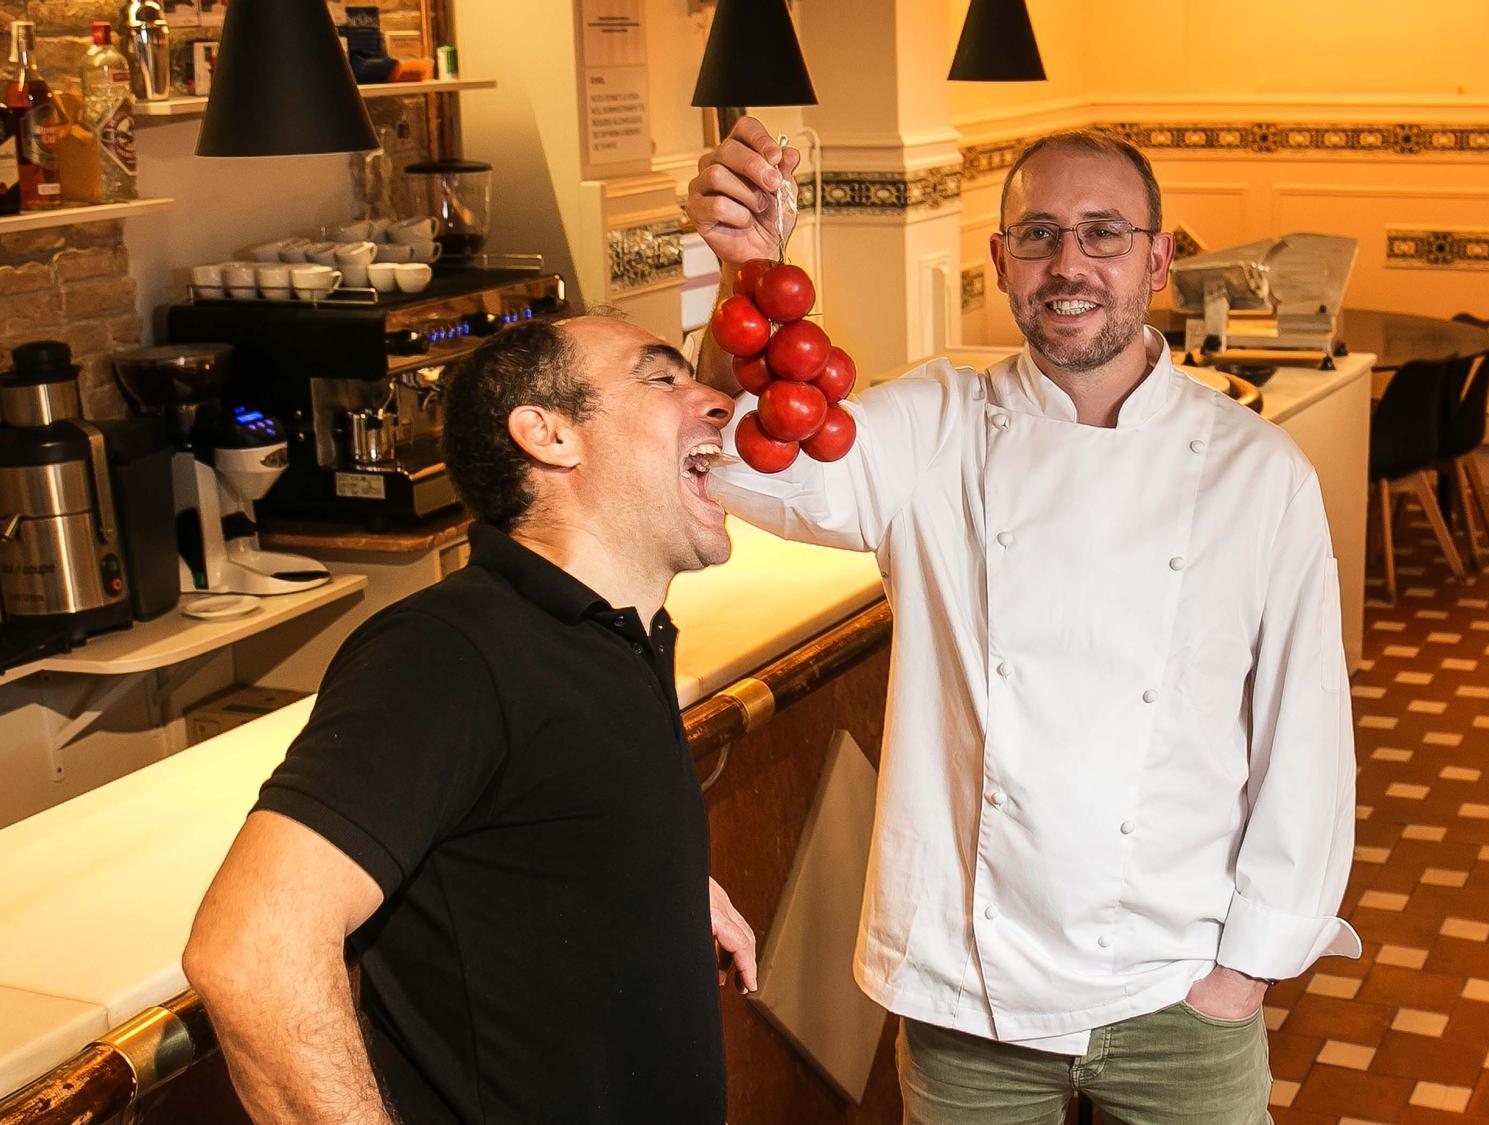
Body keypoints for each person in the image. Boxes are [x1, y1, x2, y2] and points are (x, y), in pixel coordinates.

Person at [687, 118, 1361, 1123]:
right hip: (971, 990)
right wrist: (746, 275)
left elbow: (1302, 741)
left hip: (1178, 983)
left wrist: (1247, 971)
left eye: (1103, 233)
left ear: (1158, 258)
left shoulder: (1253, 473)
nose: (1068, 263)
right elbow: (752, 465)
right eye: (1037, 234)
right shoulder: (933, 427)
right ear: (1000, 262)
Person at [183, 315, 757, 1124]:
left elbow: (529, 827)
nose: (717, 401)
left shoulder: (617, 634)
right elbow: (250, 951)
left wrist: (647, 879)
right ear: (549, 433)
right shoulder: (446, 652)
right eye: (662, 378)